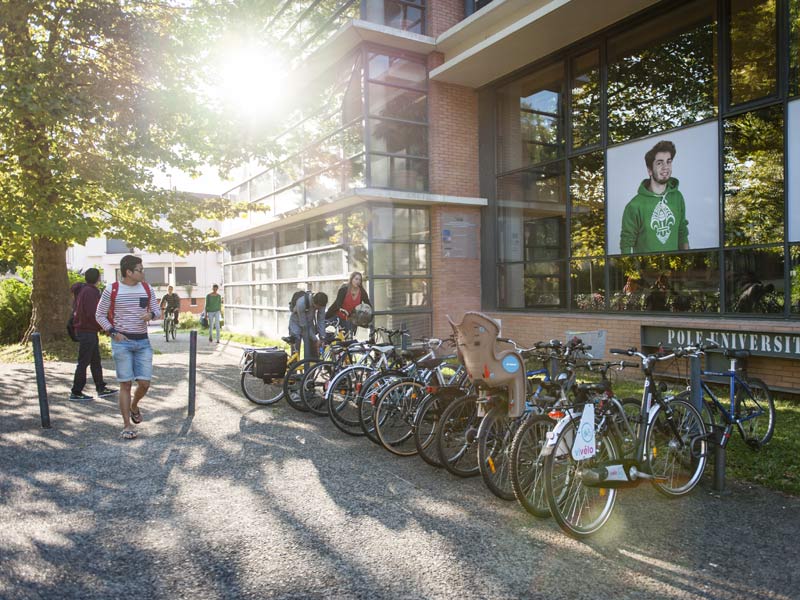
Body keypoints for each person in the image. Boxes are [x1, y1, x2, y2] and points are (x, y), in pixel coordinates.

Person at [95, 255, 161, 440]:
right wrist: (112, 331)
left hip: (143, 342)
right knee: (125, 384)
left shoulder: (147, 288)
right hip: (121, 342)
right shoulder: (112, 289)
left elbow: (157, 311)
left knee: (145, 383)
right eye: (139, 270)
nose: (143, 273)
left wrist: (152, 315)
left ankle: (134, 406)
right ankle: (126, 425)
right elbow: (99, 315)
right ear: (128, 272)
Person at [620, 140, 689, 254]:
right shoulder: (635, 205)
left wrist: (687, 260)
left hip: (676, 269)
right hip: (647, 269)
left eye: (668, 162)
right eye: (659, 163)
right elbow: (626, 244)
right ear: (650, 170)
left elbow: (682, 232)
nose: (665, 167)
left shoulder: (677, 197)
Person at [70, 268, 116, 401]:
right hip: (87, 330)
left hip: (87, 330)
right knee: (83, 362)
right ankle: (76, 391)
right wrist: (103, 327)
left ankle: (101, 387)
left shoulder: (84, 290)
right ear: (98, 279)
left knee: (95, 361)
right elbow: (93, 313)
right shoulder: (90, 292)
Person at [289, 291, 328, 359]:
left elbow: (321, 320)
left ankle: (310, 368)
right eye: (317, 307)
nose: (318, 309)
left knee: (312, 349)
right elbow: (304, 325)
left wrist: (322, 338)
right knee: (296, 350)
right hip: (296, 323)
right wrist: (315, 339)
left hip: (309, 323)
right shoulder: (301, 303)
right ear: (313, 302)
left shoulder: (322, 303)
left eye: (320, 308)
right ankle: (294, 367)